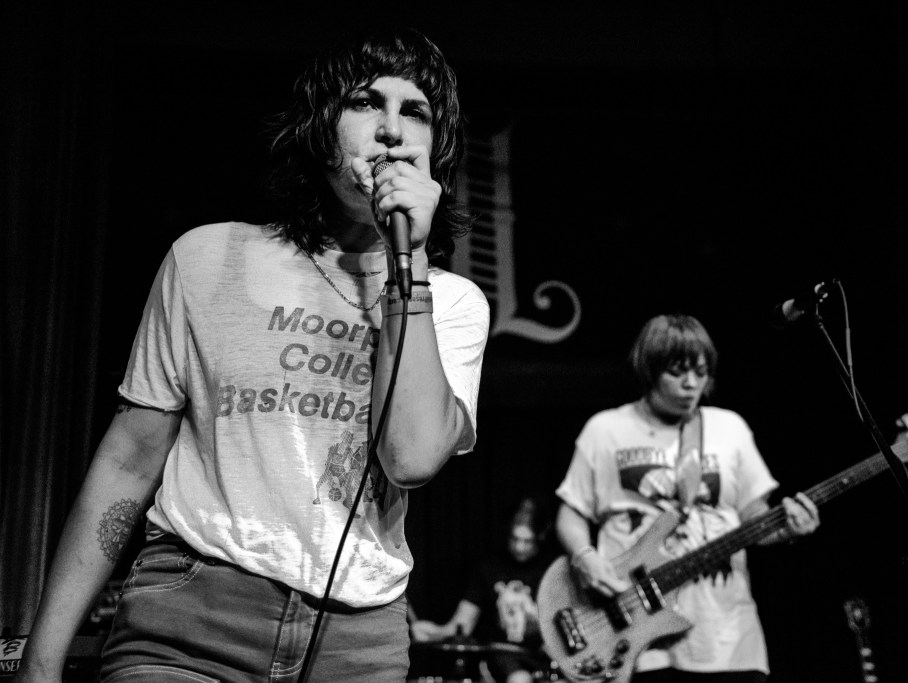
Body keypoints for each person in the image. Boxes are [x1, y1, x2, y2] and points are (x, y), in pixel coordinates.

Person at [16, 28, 489, 682]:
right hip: (192, 616)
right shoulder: (208, 258)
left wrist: (403, 259)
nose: (390, 129)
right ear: (320, 127)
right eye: (364, 102)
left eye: (415, 112)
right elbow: (129, 458)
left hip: (356, 644)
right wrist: (41, 658)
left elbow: (408, 457)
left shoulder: (454, 303)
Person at [554, 314, 819, 683]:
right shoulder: (606, 429)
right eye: (677, 372)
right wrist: (585, 558)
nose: (692, 383)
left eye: (701, 371)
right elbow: (571, 512)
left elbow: (754, 515)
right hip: (638, 639)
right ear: (649, 370)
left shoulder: (730, 428)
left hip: (728, 638)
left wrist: (788, 529)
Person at [411, 498, 554, 683]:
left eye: (527, 541)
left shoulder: (552, 570)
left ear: (541, 536)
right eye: (515, 539)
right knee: (520, 679)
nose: (520, 547)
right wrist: (432, 633)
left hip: (544, 654)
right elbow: (462, 625)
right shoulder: (489, 568)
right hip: (504, 655)